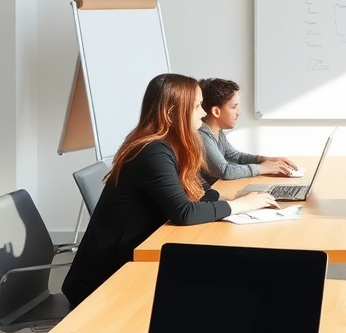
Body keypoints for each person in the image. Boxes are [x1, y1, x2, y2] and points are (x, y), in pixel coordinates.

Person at [62, 73, 276, 308]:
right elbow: (185, 213)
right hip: (105, 280)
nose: (203, 113)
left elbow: (202, 191)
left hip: (134, 261)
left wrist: (238, 198)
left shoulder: (173, 145)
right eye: (196, 107)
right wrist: (241, 206)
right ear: (172, 112)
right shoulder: (152, 151)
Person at [197, 77, 297, 181]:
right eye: (234, 107)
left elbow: (236, 157)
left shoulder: (217, 131)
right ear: (216, 112)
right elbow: (225, 171)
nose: (238, 112)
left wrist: (265, 160)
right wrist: (262, 168)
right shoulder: (202, 136)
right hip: (205, 196)